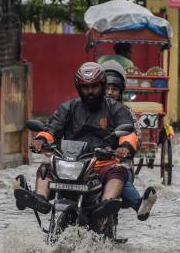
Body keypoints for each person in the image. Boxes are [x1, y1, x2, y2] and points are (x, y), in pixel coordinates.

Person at [14, 62, 138, 218]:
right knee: (46, 168)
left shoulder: (116, 109)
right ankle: (40, 199)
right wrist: (41, 140)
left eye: (94, 87)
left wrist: (125, 146)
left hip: (102, 165)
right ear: (79, 89)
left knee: (118, 172)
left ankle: (107, 203)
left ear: (102, 86)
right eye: (86, 88)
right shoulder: (68, 108)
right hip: (69, 165)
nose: (90, 91)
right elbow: (51, 128)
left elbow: (128, 132)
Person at [101, 60, 157, 221]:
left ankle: (140, 205)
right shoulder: (85, 109)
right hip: (90, 161)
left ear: (121, 91)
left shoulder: (125, 113)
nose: (110, 92)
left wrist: (124, 148)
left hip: (116, 162)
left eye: (114, 89)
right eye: (107, 88)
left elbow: (136, 137)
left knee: (120, 175)